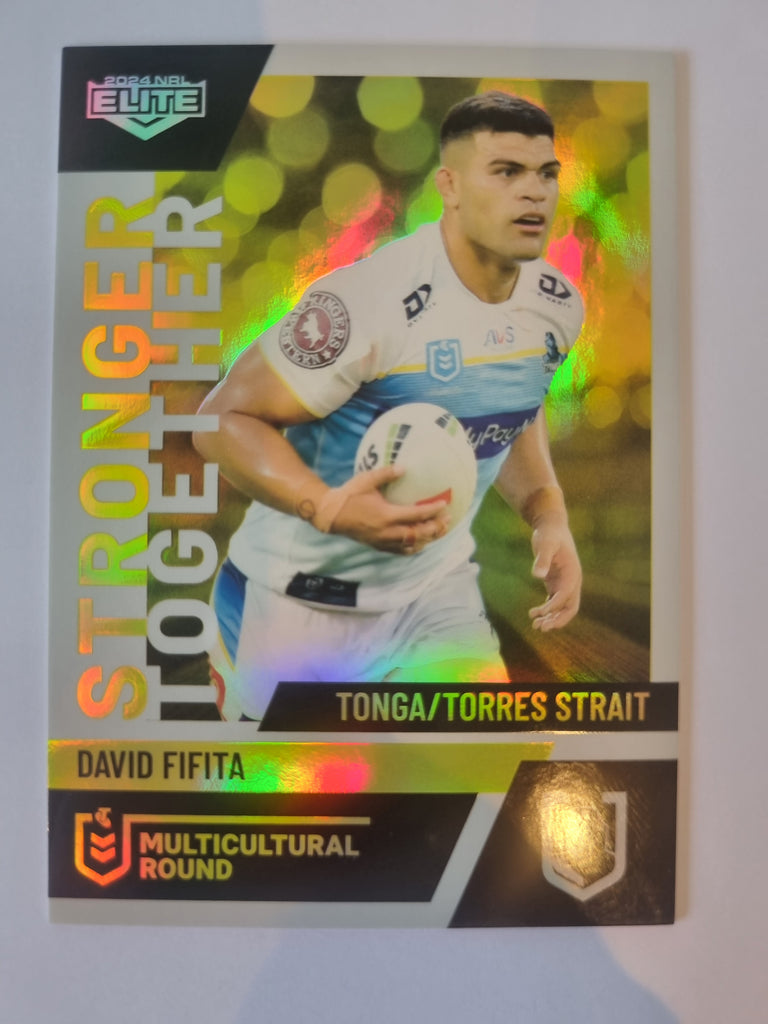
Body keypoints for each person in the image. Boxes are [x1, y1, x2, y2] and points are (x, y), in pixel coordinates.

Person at [193, 91, 584, 723]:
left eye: (546, 174)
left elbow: (516, 401)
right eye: (507, 172)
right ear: (450, 187)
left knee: (483, 769)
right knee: (298, 788)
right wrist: (331, 508)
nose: (534, 192)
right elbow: (221, 421)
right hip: (298, 602)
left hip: (434, 594)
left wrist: (548, 513)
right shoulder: (368, 302)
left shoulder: (556, 304)